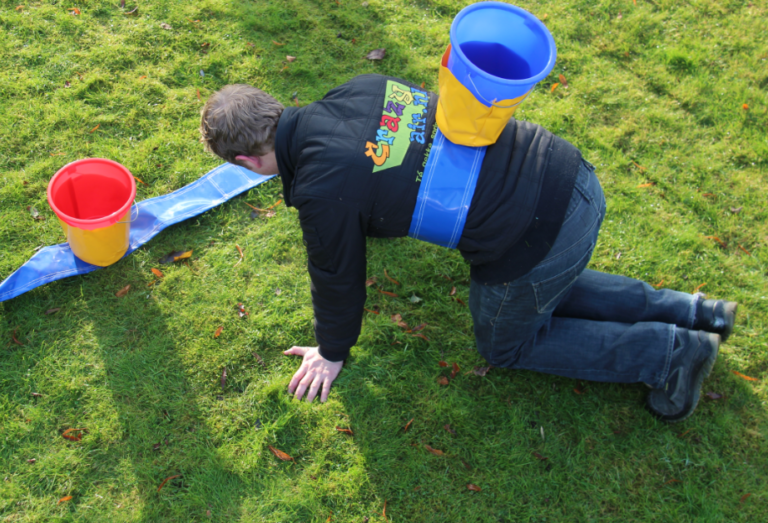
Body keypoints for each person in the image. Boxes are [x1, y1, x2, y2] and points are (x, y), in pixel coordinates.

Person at [199, 74, 737, 423]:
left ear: (247, 163)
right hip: (565, 170)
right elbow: (399, 159)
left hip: (539, 230)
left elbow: (336, 277)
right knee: (541, 286)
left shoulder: (321, 189)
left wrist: (331, 351)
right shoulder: (359, 88)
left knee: (506, 341)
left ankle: (671, 354)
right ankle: (694, 311)